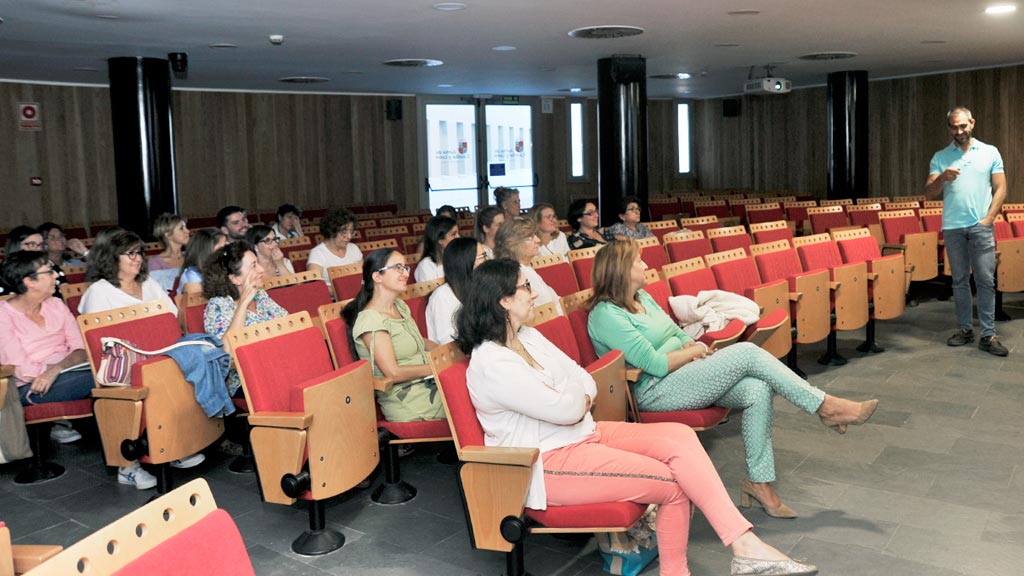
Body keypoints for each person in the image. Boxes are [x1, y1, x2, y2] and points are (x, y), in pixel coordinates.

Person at [456, 258, 819, 576]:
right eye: (525, 287)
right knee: (674, 484)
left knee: (680, 436)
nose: (534, 293)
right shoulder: (492, 362)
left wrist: (574, 396)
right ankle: (714, 559)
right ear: (504, 300)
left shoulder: (528, 336)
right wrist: (574, 398)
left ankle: (742, 545)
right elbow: (568, 407)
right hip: (546, 463)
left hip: (583, 433)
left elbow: (582, 375)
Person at [586, 240, 879, 517]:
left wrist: (683, 347)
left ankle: (758, 483)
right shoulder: (606, 315)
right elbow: (655, 364)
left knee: (756, 388)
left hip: (682, 375)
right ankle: (825, 406)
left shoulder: (643, 298)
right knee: (748, 353)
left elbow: (675, 334)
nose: (645, 263)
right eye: (638, 260)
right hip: (652, 392)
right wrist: (694, 349)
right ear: (621, 270)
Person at [925, 106, 1009, 357]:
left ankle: (988, 334)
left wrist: (989, 219)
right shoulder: (940, 156)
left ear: (972, 122)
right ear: (948, 127)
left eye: (963, 126)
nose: (959, 131)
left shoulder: (989, 151)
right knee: (960, 281)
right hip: (952, 227)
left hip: (980, 226)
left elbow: (1001, 188)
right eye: (954, 126)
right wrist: (943, 178)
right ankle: (964, 329)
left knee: (985, 280)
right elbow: (929, 192)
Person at [0, 251, 93, 447]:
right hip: (28, 388)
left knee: (107, 373)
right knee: (108, 374)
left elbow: (81, 349)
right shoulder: (3, 316)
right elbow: (24, 371)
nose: (57, 275)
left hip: (66, 374)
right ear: (29, 282)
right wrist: (59, 367)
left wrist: (55, 369)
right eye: (49, 271)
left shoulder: (56, 304)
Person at [341, 249, 446, 422]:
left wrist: (448, 354)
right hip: (407, 398)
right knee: (470, 397)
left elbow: (421, 342)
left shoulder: (400, 306)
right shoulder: (371, 320)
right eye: (398, 267)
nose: (405, 273)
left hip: (427, 383)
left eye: (405, 267)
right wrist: (436, 368)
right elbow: (393, 373)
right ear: (377, 277)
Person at [202, 242, 288, 395]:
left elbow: (288, 324)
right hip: (248, 380)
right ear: (235, 279)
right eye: (254, 266)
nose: (261, 269)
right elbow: (225, 355)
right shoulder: (218, 305)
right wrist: (242, 304)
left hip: (280, 364)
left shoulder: (261, 295)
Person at [78, 230, 178, 316]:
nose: (138, 259)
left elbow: (173, 314)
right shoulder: (98, 292)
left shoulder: (148, 282)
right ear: (114, 258)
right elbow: (95, 334)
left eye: (139, 253)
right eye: (131, 254)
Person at [494, 218, 562, 314]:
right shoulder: (516, 274)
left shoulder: (527, 268)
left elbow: (554, 300)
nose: (538, 240)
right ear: (513, 243)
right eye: (531, 237)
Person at [425, 237, 486, 344]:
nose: (487, 261)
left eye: (485, 255)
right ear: (465, 262)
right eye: (482, 256)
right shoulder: (442, 296)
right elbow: (448, 341)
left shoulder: (479, 288)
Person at [2, 226, 66, 299]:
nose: (38, 249)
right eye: (32, 244)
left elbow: (65, 292)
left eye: (40, 245)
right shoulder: (4, 273)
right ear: (16, 246)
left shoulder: (51, 266)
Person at [307, 208, 362, 284]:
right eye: (344, 231)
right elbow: (315, 287)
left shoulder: (354, 248)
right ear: (332, 231)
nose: (349, 236)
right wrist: (343, 289)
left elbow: (365, 276)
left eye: (351, 231)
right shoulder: (318, 254)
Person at [148, 213, 190, 292]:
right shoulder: (155, 264)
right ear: (168, 235)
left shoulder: (191, 256)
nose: (187, 231)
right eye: (181, 228)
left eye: (186, 227)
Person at [178, 228, 228, 294]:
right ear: (206, 251)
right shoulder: (192, 276)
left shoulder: (224, 268)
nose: (226, 252)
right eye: (221, 249)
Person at [414, 216, 459, 283]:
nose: (458, 237)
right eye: (453, 234)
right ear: (440, 240)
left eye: (458, 233)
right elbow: (432, 293)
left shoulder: (457, 258)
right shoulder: (426, 266)